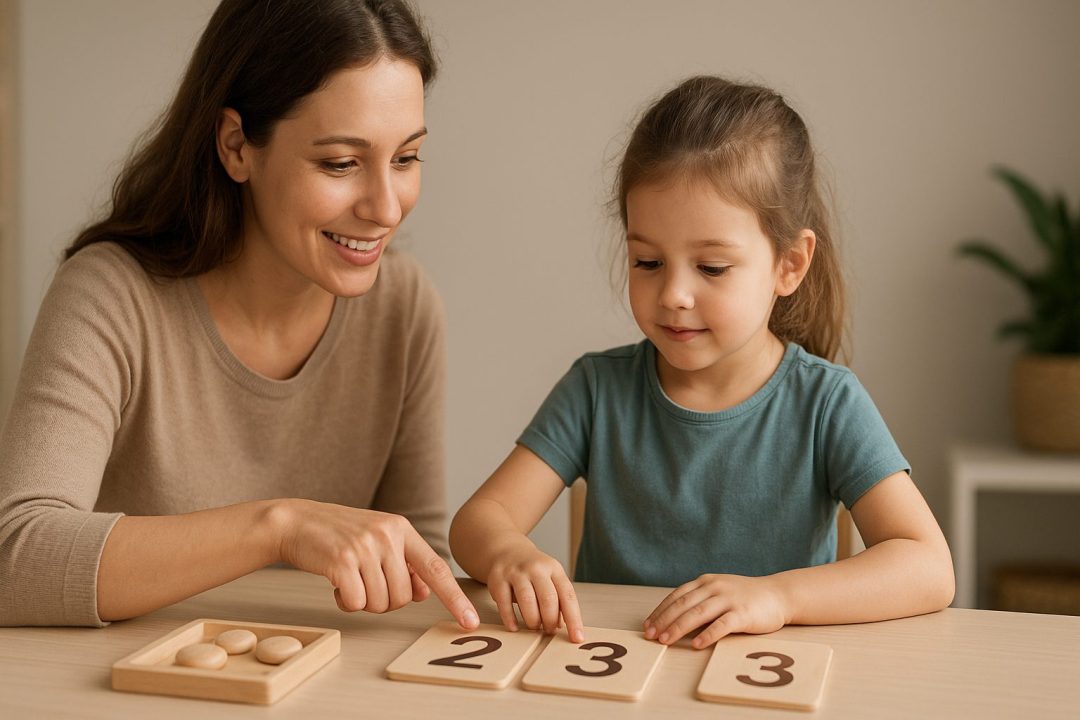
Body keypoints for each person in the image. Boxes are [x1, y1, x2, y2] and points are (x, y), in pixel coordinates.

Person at [0, 0, 479, 631]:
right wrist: (277, 528)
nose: (386, 208)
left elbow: (416, 561)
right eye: (340, 163)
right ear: (236, 147)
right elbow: (14, 559)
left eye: (406, 157)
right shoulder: (110, 295)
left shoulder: (404, 307)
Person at [450, 76, 954, 649]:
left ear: (789, 265)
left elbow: (929, 568)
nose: (673, 295)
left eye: (711, 268)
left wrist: (779, 597)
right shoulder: (596, 388)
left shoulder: (827, 403)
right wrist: (509, 553)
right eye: (647, 262)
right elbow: (477, 520)